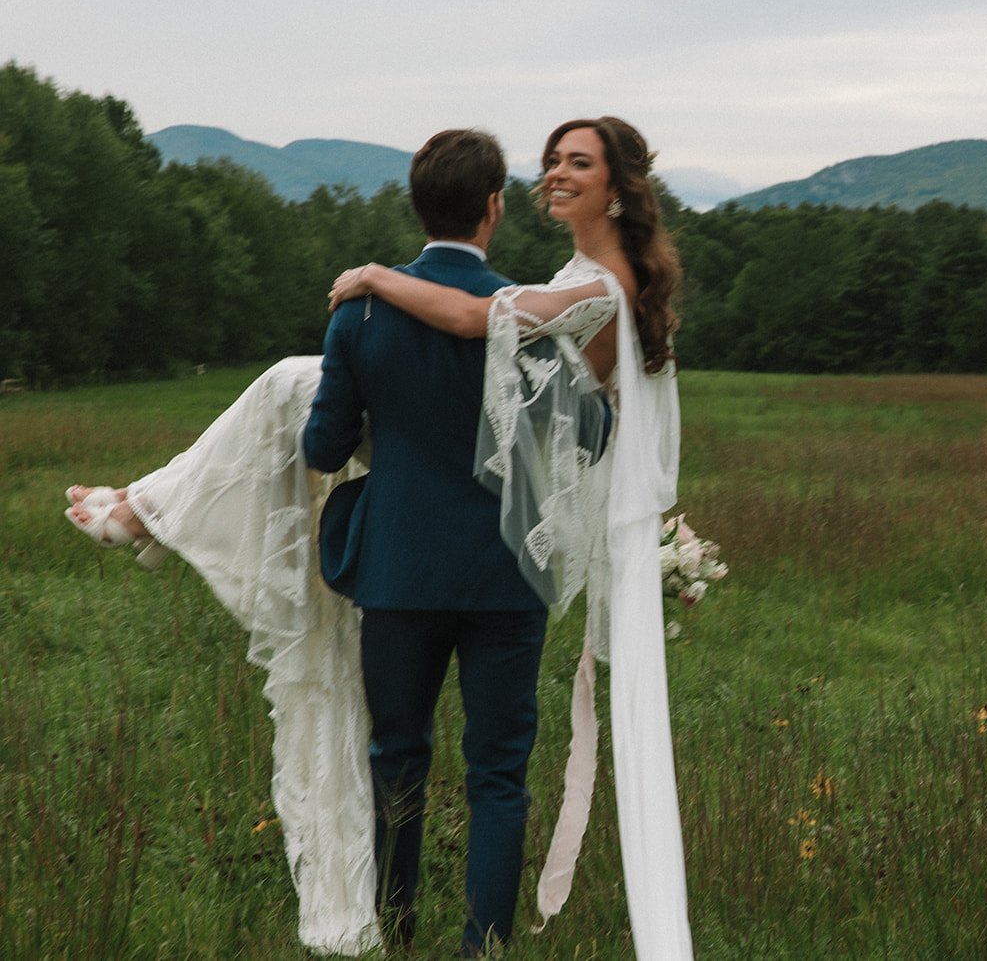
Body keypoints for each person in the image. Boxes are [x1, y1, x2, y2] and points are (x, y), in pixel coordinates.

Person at [65, 117, 694, 959]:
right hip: (510, 573)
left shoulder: (393, 311)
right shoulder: (555, 306)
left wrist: (374, 313)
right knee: (497, 773)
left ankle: (397, 930)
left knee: (397, 755)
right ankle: (485, 946)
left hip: (400, 564)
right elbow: (571, 434)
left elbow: (350, 425)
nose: (558, 173)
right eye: (551, 162)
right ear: (493, 209)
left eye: (575, 162)